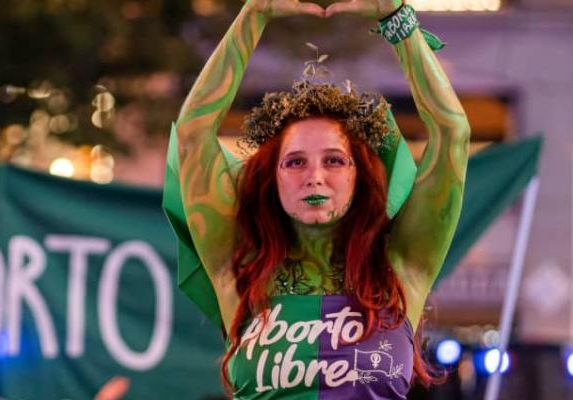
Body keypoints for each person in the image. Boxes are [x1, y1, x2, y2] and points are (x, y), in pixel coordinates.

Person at [165, 0, 470, 398]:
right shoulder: (239, 266)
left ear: (360, 177)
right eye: (295, 162)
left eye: (334, 160)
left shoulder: (400, 266)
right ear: (271, 179)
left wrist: (398, 20)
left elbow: (453, 132)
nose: (315, 176)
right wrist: (253, 14)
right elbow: (192, 133)